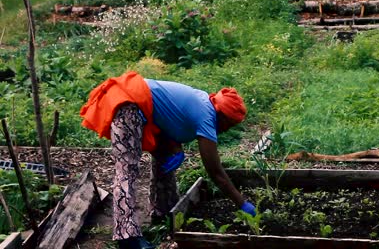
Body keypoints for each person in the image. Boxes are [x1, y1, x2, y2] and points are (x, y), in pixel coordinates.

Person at [80, 71, 256, 249]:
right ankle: (128, 238)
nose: (226, 130)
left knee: (164, 160)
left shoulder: (203, 103)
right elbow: (215, 172)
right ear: (222, 115)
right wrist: (242, 203)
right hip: (128, 103)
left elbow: (168, 117)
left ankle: (163, 212)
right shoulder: (207, 116)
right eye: (229, 124)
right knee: (127, 170)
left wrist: (175, 147)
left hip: (137, 104)